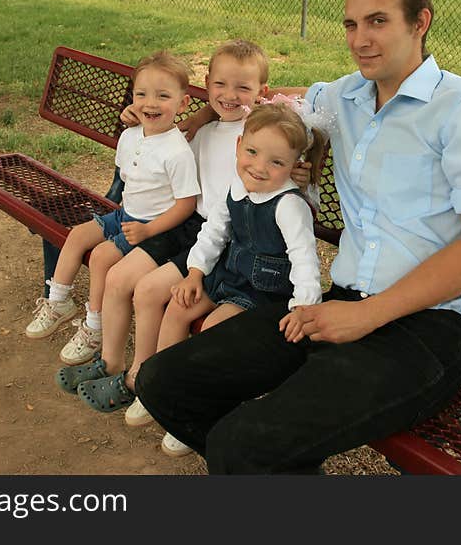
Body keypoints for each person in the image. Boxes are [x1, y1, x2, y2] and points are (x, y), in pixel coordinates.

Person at [135, 0, 461, 473]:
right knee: (163, 381)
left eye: (378, 21)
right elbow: (270, 101)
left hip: (429, 327)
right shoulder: (345, 97)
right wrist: (199, 117)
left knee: (241, 445)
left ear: (420, 22)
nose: (360, 38)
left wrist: (367, 315)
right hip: (337, 303)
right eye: (351, 23)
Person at [53, 40, 272, 416]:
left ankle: (146, 380)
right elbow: (163, 132)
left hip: (220, 239)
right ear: (206, 85)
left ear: (261, 93)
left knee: (149, 290)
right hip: (192, 226)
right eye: (220, 86)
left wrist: (304, 161)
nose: (230, 96)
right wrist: (144, 113)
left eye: (242, 88)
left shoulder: (259, 135)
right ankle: (116, 365)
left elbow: (289, 113)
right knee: (123, 279)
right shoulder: (199, 132)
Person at [145, 100, 326, 456]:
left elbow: (305, 259)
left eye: (276, 162)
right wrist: (195, 272)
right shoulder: (236, 186)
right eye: (253, 152)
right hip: (229, 271)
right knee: (178, 307)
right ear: (238, 145)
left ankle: (207, 408)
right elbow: (214, 232)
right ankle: (167, 389)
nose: (259, 168)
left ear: (293, 166)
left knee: (215, 328)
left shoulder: (288, 204)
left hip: (263, 288)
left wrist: (304, 307)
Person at [24, 50, 200, 368]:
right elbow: (128, 182)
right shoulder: (130, 136)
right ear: (132, 98)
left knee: (104, 256)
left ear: (182, 103)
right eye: (142, 94)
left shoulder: (177, 152)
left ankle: (94, 326)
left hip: (154, 226)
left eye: (163, 96)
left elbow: (186, 205)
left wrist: (148, 229)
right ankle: (58, 301)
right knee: (77, 235)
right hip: (125, 214)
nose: (150, 103)